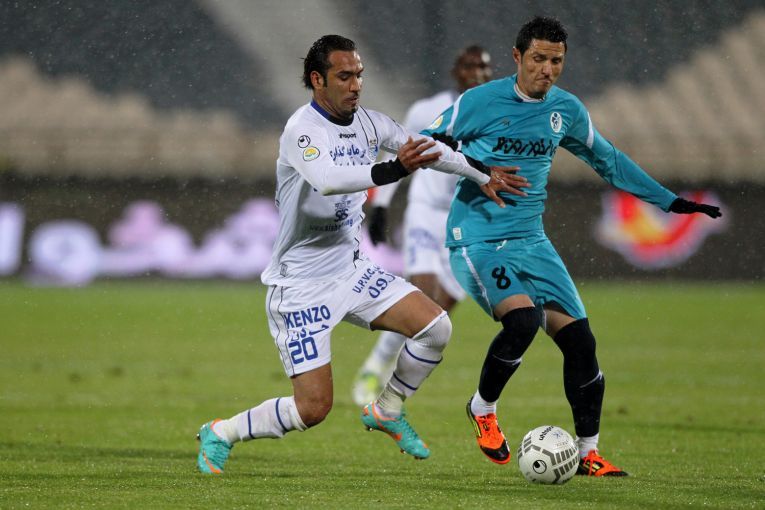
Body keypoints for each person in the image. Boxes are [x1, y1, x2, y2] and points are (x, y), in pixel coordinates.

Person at [195, 34, 528, 474]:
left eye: (359, 75)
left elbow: (429, 149)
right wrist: (395, 168)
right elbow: (329, 179)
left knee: (435, 328)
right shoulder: (302, 130)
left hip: (352, 272)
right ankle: (222, 431)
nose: (355, 85)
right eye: (344, 76)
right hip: (300, 286)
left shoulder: (371, 124)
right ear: (317, 80)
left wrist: (481, 174)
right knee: (312, 409)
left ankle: (387, 408)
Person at [421, 17, 722, 475]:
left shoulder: (566, 110)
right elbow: (427, 144)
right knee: (523, 321)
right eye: (538, 59)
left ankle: (588, 453)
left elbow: (608, 160)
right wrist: (479, 171)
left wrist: (669, 201)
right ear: (517, 57)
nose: (547, 69)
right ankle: (483, 408)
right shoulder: (479, 101)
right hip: (478, 240)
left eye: (556, 61)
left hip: (532, 240)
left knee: (581, 344)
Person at [352, 45, 494, 406]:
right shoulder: (426, 109)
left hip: (467, 219)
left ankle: (389, 368)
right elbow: (398, 151)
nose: (478, 73)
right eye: (470, 66)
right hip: (426, 211)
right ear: (456, 72)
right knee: (422, 294)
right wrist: (381, 204)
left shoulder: (498, 113)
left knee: (436, 315)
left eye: (484, 67)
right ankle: (376, 367)